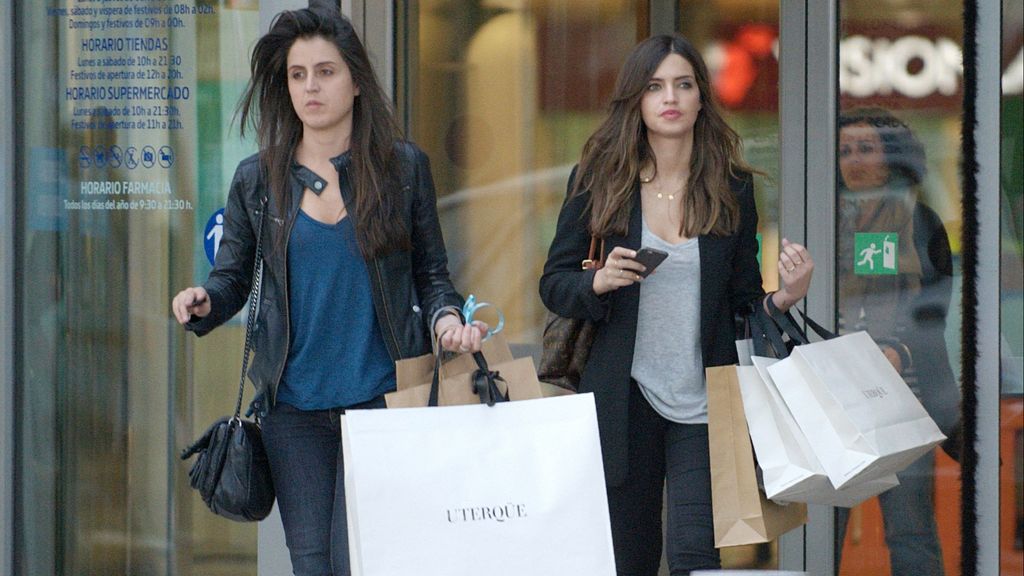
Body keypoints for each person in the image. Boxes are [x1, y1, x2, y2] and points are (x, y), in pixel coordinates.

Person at [170, 5, 485, 575]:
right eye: (297, 75)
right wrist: (206, 302)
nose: (310, 86)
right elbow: (234, 278)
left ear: (357, 81)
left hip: (381, 400)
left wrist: (447, 324)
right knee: (312, 561)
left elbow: (432, 276)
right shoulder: (258, 180)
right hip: (294, 408)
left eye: (326, 71)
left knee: (357, 558)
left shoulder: (403, 170)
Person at [539, 34, 813, 575]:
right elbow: (554, 283)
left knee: (695, 556)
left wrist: (785, 296)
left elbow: (742, 301)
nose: (671, 97)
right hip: (625, 398)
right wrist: (596, 285)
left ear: (700, 98)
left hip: (704, 403)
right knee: (630, 557)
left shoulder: (729, 187)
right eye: (655, 86)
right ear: (636, 101)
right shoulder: (600, 181)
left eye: (684, 85)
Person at [835, 107, 960, 576]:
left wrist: (898, 349)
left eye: (866, 148)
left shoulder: (919, 222)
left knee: (911, 536)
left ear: (893, 156)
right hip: (833, 398)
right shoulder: (822, 220)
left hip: (900, 399)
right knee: (820, 535)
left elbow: (932, 309)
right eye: (845, 150)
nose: (855, 160)